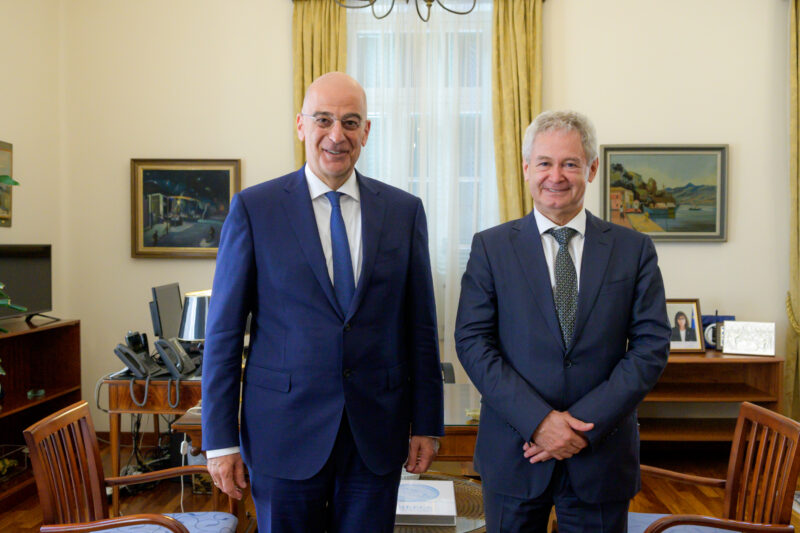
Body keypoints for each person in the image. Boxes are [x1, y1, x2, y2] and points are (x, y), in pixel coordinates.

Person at [201, 72, 444, 533]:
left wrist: (426, 423)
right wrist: (219, 441)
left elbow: (421, 328)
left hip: (376, 430)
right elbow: (225, 333)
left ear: (367, 132)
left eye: (351, 122)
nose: (337, 135)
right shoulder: (255, 208)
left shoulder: (403, 211)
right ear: (300, 126)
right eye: (324, 120)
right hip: (282, 432)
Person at [454, 110, 670, 532]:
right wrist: (539, 422)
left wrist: (580, 428)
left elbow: (650, 348)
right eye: (545, 163)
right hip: (516, 450)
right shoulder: (491, 248)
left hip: (600, 454)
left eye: (570, 163)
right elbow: (473, 343)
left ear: (590, 169)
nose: (557, 175)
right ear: (526, 169)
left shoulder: (633, 249)